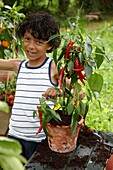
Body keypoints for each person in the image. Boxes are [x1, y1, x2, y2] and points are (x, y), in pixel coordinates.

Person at [0, 12, 61, 160]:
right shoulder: (19, 65)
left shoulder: (52, 67)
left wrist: (58, 91)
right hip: (14, 136)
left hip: (41, 139)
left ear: (50, 45)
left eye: (39, 42)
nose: (31, 46)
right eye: (27, 39)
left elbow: (77, 93)